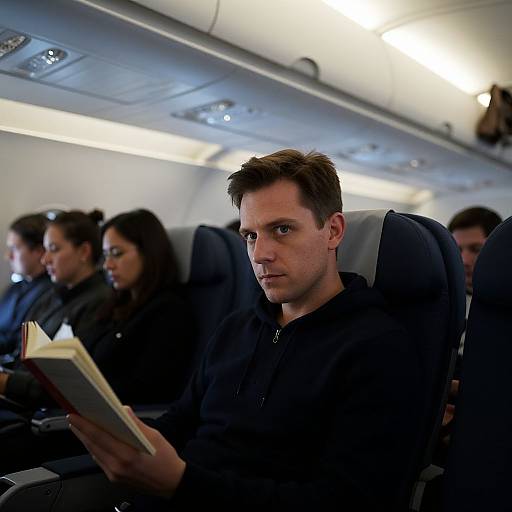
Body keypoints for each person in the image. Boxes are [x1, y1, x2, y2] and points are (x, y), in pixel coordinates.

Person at [70, 149, 424, 511]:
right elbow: (181, 421)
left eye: (282, 229)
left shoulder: (376, 349)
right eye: (250, 236)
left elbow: (341, 502)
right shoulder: (236, 328)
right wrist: (130, 438)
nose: (260, 254)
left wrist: (181, 482)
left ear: (332, 231)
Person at [0, 210, 111, 407]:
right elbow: (21, 352)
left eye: (54, 249)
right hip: (17, 395)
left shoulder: (99, 303)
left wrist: (6, 382)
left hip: (36, 410)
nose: (45, 260)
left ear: (84, 252)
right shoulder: (54, 295)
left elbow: (65, 382)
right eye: (45, 249)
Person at [82, 208, 192, 405]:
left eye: (116, 254)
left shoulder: (169, 312)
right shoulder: (116, 304)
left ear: (149, 253)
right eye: (106, 255)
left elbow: (143, 389)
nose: (107, 265)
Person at [0, 213, 52, 366]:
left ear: (38, 251)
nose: (8, 256)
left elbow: (17, 345)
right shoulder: (14, 288)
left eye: (15, 249)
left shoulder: (50, 293)